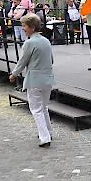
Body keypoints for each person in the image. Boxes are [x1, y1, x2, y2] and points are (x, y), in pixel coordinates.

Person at [8, 14, 55, 148]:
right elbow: (51, 60)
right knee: (44, 107)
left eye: (24, 26)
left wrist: (14, 74)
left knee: (36, 109)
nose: (23, 28)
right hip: (48, 78)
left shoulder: (29, 43)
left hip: (35, 79)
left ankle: (45, 137)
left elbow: (23, 61)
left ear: (32, 27)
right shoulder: (46, 40)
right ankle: (48, 132)